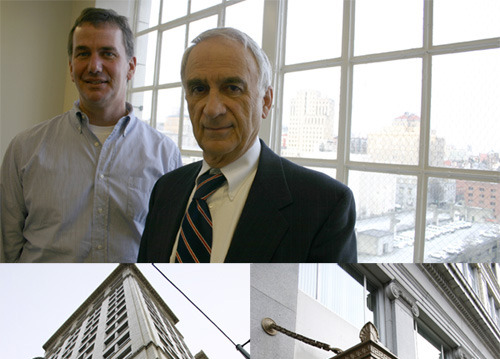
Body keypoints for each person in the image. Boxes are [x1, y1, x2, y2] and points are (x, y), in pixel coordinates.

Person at [138, 27, 357, 263]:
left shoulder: (324, 205)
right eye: (198, 89)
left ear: (265, 101)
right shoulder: (166, 189)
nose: (212, 109)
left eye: (232, 88)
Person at [0, 8, 181, 263]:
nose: (94, 67)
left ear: (130, 67)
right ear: (71, 67)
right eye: (83, 53)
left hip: (124, 298)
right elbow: (6, 250)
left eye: (108, 53)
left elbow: (167, 250)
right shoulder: (24, 149)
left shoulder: (165, 155)